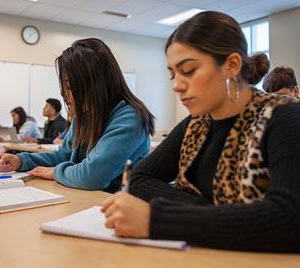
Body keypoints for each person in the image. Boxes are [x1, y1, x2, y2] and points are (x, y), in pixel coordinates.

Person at [101, 11, 300, 252]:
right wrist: (213, 212)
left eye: (188, 70)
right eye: (173, 74)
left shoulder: (284, 118)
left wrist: (160, 219)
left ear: (232, 66)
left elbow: (289, 218)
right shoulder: (194, 124)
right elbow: (137, 179)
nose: (176, 85)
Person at [0, 38, 155, 193]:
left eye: (69, 86)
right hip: (85, 200)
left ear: (93, 83)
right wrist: (22, 161)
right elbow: (63, 155)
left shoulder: (130, 117)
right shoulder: (85, 114)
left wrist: (55, 172)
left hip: (116, 206)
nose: (63, 93)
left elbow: (92, 176)